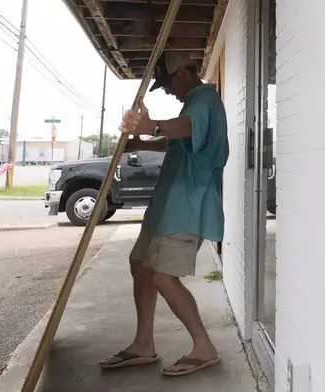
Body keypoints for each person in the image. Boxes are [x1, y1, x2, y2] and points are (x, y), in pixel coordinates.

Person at [98, 52, 229, 377]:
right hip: (166, 207)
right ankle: (144, 344)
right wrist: (140, 142)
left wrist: (151, 123)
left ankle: (204, 347)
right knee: (140, 266)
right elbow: (177, 141)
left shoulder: (204, 102)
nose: (168, 90)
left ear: (184, 73)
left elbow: (186, 127)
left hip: (187, 207)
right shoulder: (192, 104)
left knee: (163, 277)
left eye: (169, 82)